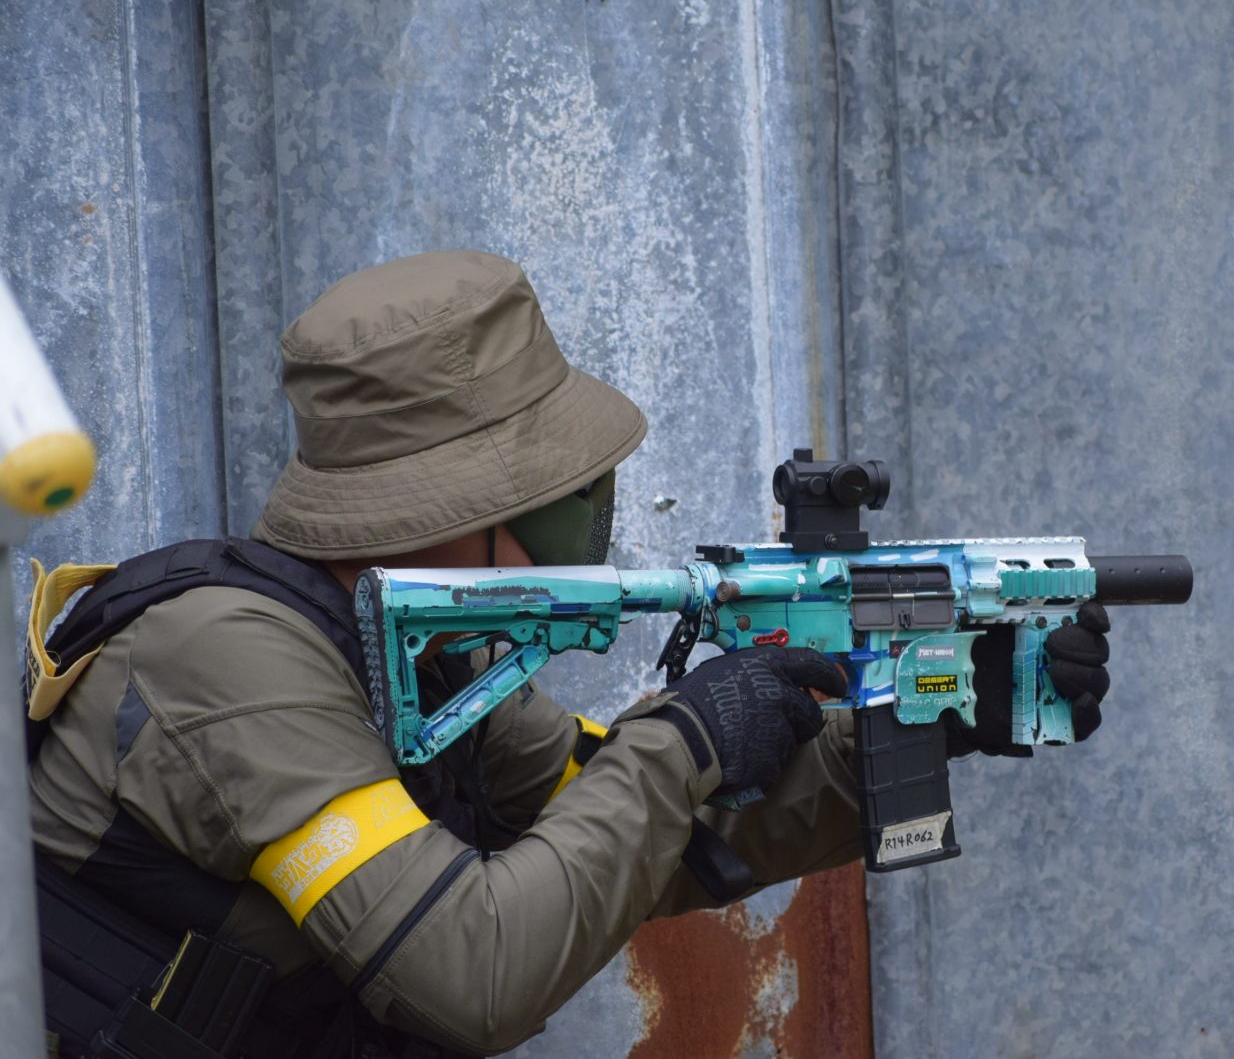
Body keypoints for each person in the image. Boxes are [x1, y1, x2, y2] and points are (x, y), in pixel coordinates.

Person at [26, 250, 1112, 1057]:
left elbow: (619, 835)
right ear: (457, 506)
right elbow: (476, 976)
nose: (583, 517)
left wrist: (934, 710)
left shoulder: (428, 653)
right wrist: (682, 739)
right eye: (558, 495)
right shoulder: (226, 660)